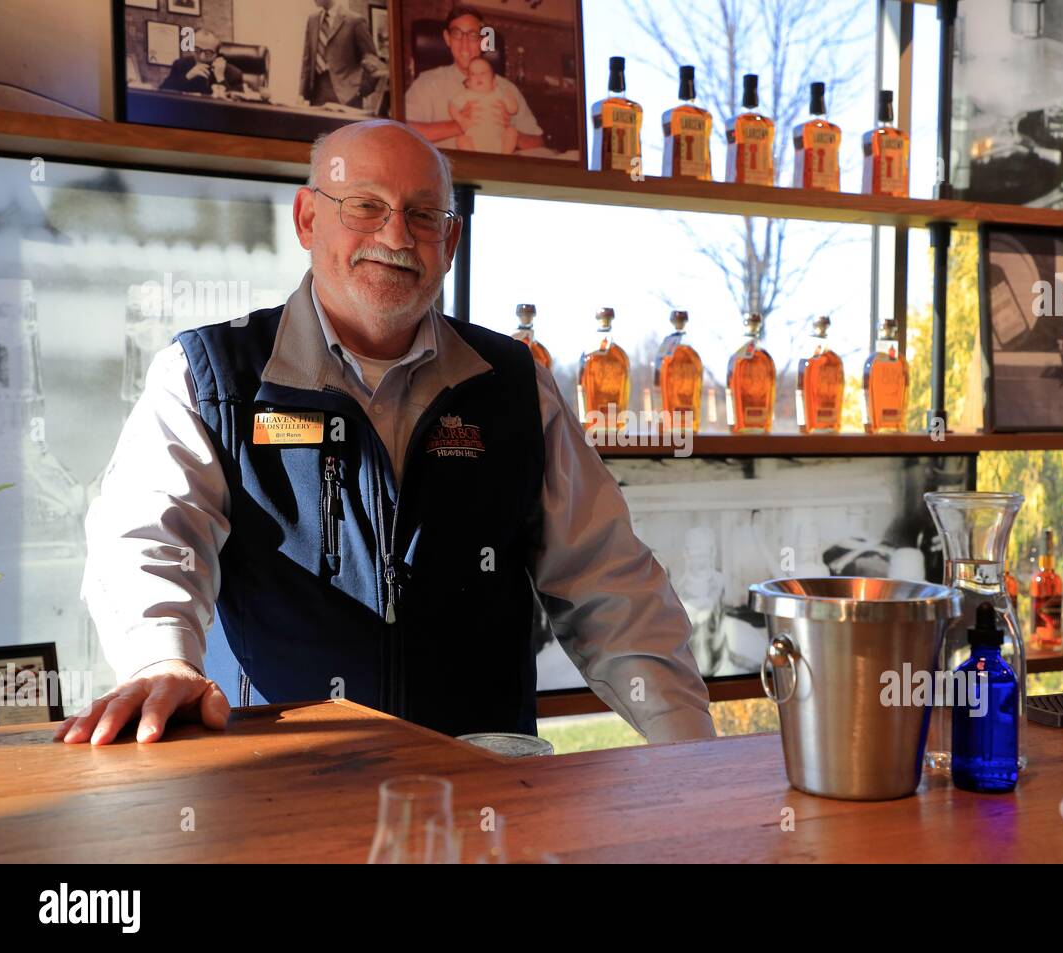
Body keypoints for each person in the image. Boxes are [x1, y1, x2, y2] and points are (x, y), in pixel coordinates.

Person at [63, 119, 715, 748]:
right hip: (276, 796)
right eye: (366, 205)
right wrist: (161, 659)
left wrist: (689, 751)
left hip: (482, 803)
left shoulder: (515, 385)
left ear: (451, 242)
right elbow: (149, 537)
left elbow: (610, 579)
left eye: (423, 214)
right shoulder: (211, 376)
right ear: (308, 219)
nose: (396, 234)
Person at [404, 6, 544, 151]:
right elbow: (403, 130)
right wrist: (458, 125)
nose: (464, 44)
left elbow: (538, 143)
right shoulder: (427, 83)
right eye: (457, 34)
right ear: (447, 38)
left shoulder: (506, 88)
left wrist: (509, 131)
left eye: (473, 35)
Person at [300, 0, 378, 107]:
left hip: (346, 95)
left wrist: (361, 91)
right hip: (317, 93)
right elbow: (307, 60)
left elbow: (372, 59)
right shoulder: (312, 20)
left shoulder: (354, 21)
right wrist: (302, 93)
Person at [449, 57, 519, 153]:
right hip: (474, 142)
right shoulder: (467, 94)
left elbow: (513, 109)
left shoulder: (499, 92)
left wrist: (508, 96)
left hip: (499, 141)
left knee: (512, 132)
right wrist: (461, 120)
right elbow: (452, 106)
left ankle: (505, 158)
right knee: (461, 140)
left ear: (494, 82)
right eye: (473, 74)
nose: (478, 77)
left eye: (483, 73)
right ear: (468, 83)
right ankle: (475, 162)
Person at [158, 30, 244, 96]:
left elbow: (237, 107)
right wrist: (187, 77)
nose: (202, 57)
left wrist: (221, 79)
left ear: (217, 54)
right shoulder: (180, 65)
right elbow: (163, 93)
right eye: (197, 50)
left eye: (208, 53)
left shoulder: (233, 74)